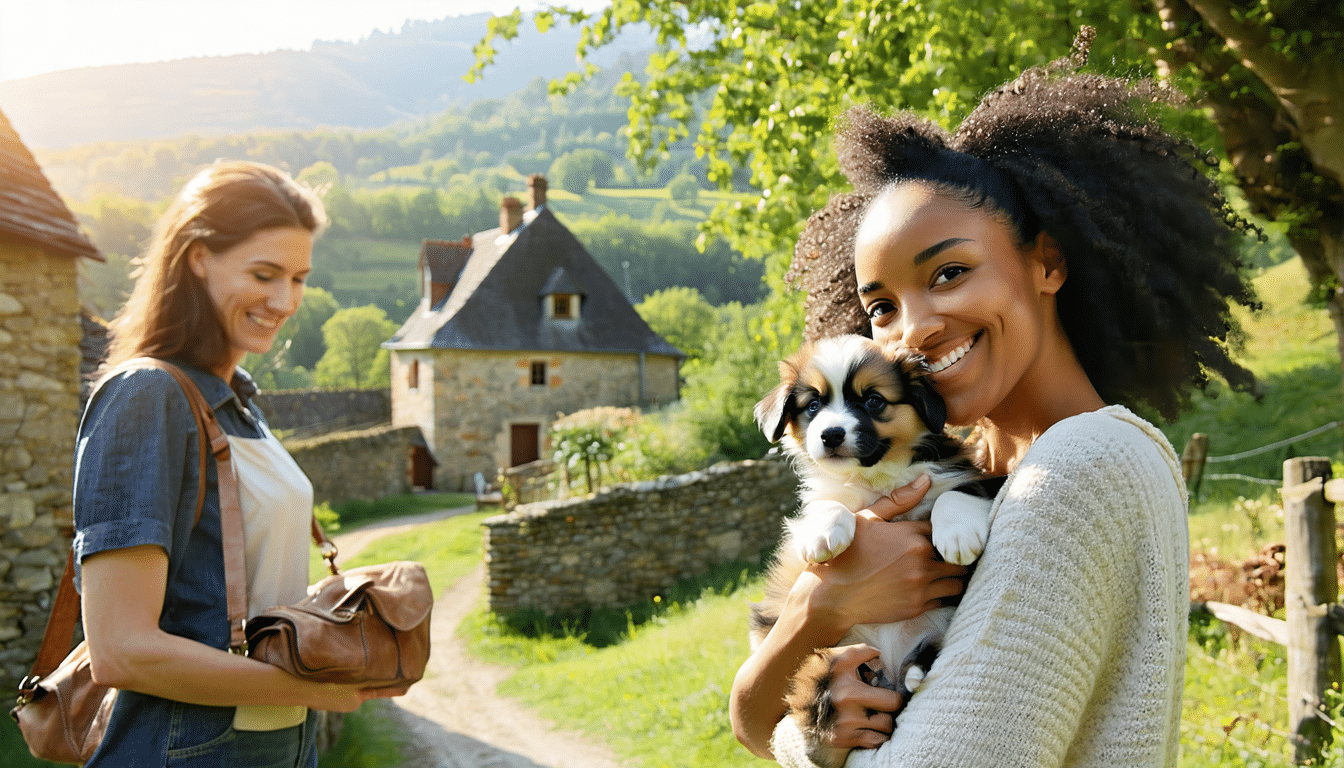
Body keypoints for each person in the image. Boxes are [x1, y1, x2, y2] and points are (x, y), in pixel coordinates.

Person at [729, 34, 1259, 768]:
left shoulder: (1079, 467)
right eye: (881, 307)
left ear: (1046, 262)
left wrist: (799, 734)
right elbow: (749, 722)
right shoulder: (982, 471)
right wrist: (816, 618)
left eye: (948, 273)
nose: (913, 328)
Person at [74, 160, 405, 768]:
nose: (284, 301)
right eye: (264, 274)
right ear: (199, 257)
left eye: (299, 278)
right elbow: (121, 650)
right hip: (188, 752)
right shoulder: (147, 396)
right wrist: (311, 688)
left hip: (279, 743)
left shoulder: (240, 405)